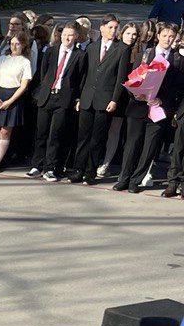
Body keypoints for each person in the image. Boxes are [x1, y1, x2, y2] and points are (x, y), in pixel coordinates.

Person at [115, 22, 184, 193]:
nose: (168, 39)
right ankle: (124, 178)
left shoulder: (178, 60)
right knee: (132, 144)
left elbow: (179, 87)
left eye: (171, 36)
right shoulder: (144, 54)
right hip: (138, 106)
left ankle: (135, 181)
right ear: (158, 36)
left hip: (159, 109)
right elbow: (132, 76)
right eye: (165, 35)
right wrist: (135, 92)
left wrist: (162, 99)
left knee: (149, 147)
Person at [72, 14, 130, 185]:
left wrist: (114, 100)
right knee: (83, 137)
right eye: (110, 27)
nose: (113, 31)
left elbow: (121, 78)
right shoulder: (92, 47)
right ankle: (78, 170)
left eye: (115, 28)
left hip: (105, 100)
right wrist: (79, 97)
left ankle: (90, 173)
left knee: (97, 138)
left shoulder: (122, 49)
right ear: (102, 28)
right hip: (87, 98)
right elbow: (84, 75)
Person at [26, 22, 85, 182]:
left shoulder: (80, 55)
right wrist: (44, 90)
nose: (67, 37)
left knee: (55, 134)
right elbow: (44, 72)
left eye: (71, 34)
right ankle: (36, 165)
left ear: (76, 37)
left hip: (63, 98)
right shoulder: (51, 51)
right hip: (47, 96)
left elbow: (80, 79)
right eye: (65, 34)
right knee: (41, 132)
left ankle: (50, 168)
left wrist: (77, 97)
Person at [0, 29, 33, 172]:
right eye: (12, 44)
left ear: (23, 45)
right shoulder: (2, 59)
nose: (14, 47)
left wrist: (10, 101)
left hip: (13, 96)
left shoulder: (25, 62)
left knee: (5, 131)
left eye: (17, 44)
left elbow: (23, 85)